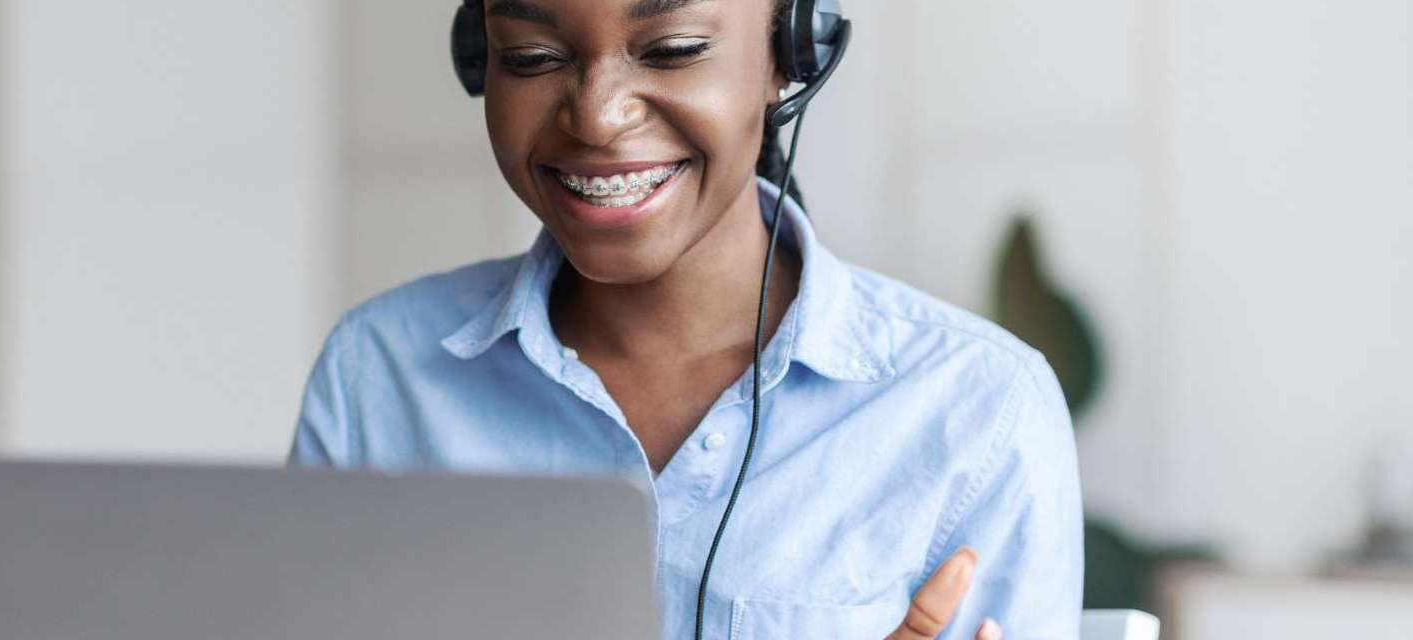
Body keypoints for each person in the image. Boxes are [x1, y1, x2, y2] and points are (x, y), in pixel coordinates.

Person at [289, 1, 1083, 638]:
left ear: (791, 52)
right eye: (531, 57)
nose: (596, 118)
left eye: (669, 48)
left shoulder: (978, 406)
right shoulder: (379, 374)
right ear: (481, 59)